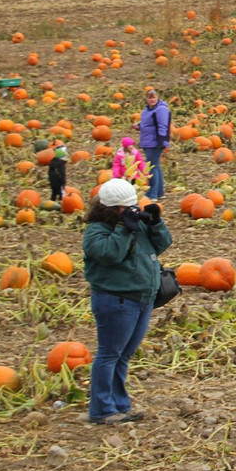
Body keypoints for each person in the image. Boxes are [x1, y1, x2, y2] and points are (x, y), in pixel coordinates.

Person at [83, 177, 171, 425]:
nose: (132, 210)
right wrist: (125, 229)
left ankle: (120, 405)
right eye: (126, 207)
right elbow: (110, 254)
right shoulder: (97, 231)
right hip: (116, 301)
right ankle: (101, 410)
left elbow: (162, 244)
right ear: (111, 208)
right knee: (109, 355)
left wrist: (155, 223)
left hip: (142, 299)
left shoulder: (133, 223)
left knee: (123, 356)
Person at [133, 88, 170, 201]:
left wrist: (161, 140)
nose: (152, 99)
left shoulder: (161, 109)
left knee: (152, 167)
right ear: (146, 99)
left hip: (155, 142)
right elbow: (148, 124)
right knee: (156, 166)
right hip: (148, 141)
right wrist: (139, 126)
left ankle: (152, 194)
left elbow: (163, 125)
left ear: (157, 98)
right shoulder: (146, 111)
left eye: (153, 97)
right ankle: (160, 192)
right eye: (150, 98)